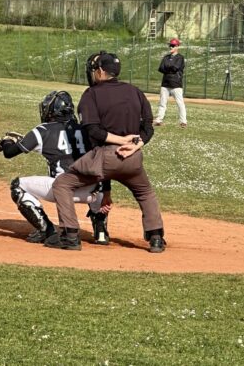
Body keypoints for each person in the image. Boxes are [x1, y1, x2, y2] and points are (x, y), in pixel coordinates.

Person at [46, 52, 166, 253]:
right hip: (132, 158)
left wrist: (120, 140)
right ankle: (156, 238)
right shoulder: (135, 91)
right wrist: (136, 143)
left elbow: (92, 130)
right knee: (145, 192)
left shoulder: (91, 94)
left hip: (104, 156)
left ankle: (70, 235)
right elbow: (148, 126)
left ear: (101, 71)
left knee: (62, 184)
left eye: (94, 70)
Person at [0, 90, 112, 244]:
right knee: (98, 178)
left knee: (17, 186)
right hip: (92, 193)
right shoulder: (86, 129)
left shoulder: (43, 130)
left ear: (52, 110)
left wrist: (7, 141)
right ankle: (101, 232)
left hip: (62, 190)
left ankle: (46, 230)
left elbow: (9, 153)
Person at [154, 38, 187, 128]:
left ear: (177, 46)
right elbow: (161, 68)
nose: (171, 47)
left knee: (180, 103)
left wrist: (167, 66)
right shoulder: (166, 57)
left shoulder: (180, 57)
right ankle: (159, 120)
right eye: (170, 45)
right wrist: (170, 67)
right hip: (165, 83)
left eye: (173, 45)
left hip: (176, 84)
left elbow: (175, 68)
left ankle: (183, 121)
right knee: (162, 103)